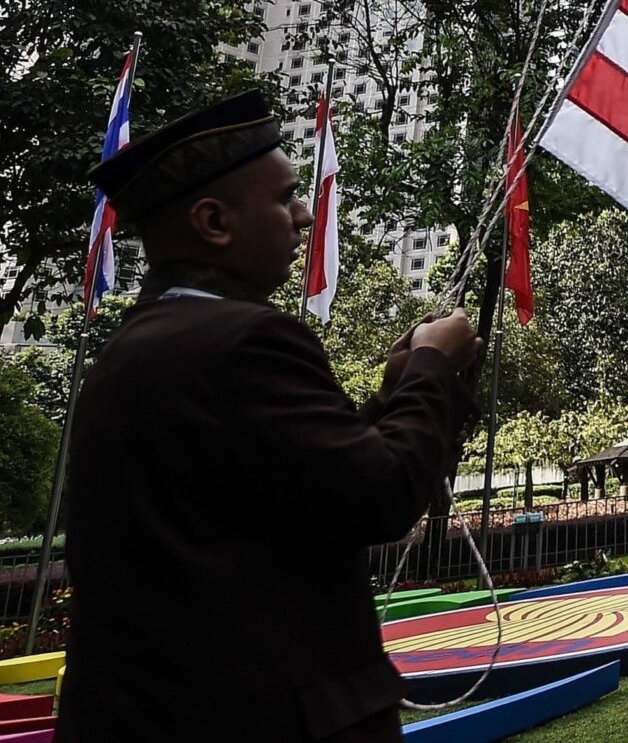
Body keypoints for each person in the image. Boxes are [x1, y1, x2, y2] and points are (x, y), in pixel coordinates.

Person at [56, 91, 481, 743]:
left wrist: (396, 390)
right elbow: (381, 494)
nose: (307, 213)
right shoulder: (249, 340)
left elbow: (306, 485)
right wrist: (431, 367)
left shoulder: (133, 348)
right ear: (214, 221)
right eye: (284, 197)